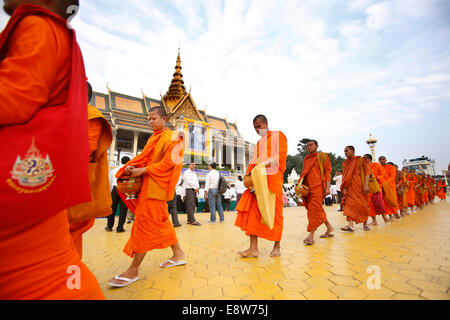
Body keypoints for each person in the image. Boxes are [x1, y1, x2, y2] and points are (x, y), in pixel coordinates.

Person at [0, 0, 105, 299]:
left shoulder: (40, 25)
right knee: (48, 270)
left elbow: (13, 98)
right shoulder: (52, 32)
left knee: (46, 271)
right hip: (47, 188)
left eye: (153, 119)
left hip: (33, 180)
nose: (151, 123)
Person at [108, 107, 186, 288]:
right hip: (147, 185)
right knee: (161, 221)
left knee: (144, 223)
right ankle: (179, 254)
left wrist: (144, 169)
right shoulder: (153, 138)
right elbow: (145, 159)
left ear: (164, 119)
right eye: (149, 119)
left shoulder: (174, 137)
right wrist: (132, 167)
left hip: (157, 187)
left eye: (154, 118)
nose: (150, 122)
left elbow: (169, 162)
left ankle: (133, 269)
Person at [69, 81, 113, 258]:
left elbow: (84, 150)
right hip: (58, 185)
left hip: (74, 185)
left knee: (67, 240)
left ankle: (70, 280)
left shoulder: (91, 116)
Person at [235, 115, 287, 257]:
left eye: (259, 126)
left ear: (266, 123)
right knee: (253, 212)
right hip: (258, 181)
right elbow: (253, 162)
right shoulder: (259, 144)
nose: (258, 130)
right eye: (255, 128)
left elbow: (280, 157)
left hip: (272, 180)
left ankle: (277, 246)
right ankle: (253, 248)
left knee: (275, 213)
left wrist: (265, 164)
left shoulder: (278, 136)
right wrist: (249, 177)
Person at [298, 140, 334, 246]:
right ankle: (329, 228)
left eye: (311, 145)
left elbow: (328, 172)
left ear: (317, 146)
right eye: (307, 145)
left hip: (318, 187)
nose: (309, 147)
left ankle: (311, 236)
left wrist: (327, 187)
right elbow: (304, 173)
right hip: (308, 188)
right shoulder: (306, 159)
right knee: (317, 209)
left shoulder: (323, 156)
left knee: (314, 210)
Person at [340, 146, 371, 232]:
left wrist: (366, 185)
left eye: (347, 151)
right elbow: (345, 176)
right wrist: (344, 187)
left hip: (359, 186)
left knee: (363, 205)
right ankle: (350, 225)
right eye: (344, 151)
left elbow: (367, 172)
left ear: (353, 151)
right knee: (350, 204)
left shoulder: (360, 159)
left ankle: (365, 224)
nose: (345, 153)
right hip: (349, 187)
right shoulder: (345, 163)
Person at [106, 156, 131, 233]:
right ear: (129, 162)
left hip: (115, 189)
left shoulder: (115, 170)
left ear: (121, 161)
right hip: (125, 190)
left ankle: (109, 227)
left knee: (112, 208)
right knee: (123, 210)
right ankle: (120, 228)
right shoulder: (130, 171)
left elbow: (110, 181)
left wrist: (111, 191)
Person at [363, 154, 386, 225]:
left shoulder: (376, 165)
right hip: (368, 189)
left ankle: (385, 218)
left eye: (364, 159)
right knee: (369, 204)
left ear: (368, 159)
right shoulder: (364, 167)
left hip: (376, 187)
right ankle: (374, 221)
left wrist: (378, 178)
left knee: (379, 203)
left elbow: (383, 174)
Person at [379, 156, 398, 222]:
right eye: (380, 160)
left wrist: (386, 182)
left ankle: (395, 213)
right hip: (382, 187)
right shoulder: (379, 168)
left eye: (383, 159)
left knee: (392, 200)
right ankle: (390, 215)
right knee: (385, 202)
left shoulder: (391, 167)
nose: (381, 161)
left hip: (390, 187)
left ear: (386, 160)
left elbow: (393, 177)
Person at [182, 162, 201, 226]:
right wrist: (195, 187)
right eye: (192, 164)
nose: (194, 166)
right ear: (189, 165)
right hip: (189, 189)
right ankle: (192, 220)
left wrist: (197, 187)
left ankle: (189, 220)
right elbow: (188, 181)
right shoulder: (186, 172)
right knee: (191, 205)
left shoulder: (194, 173)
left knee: (192, 205)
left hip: (194, 190)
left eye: (194, 164)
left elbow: (197, 181)